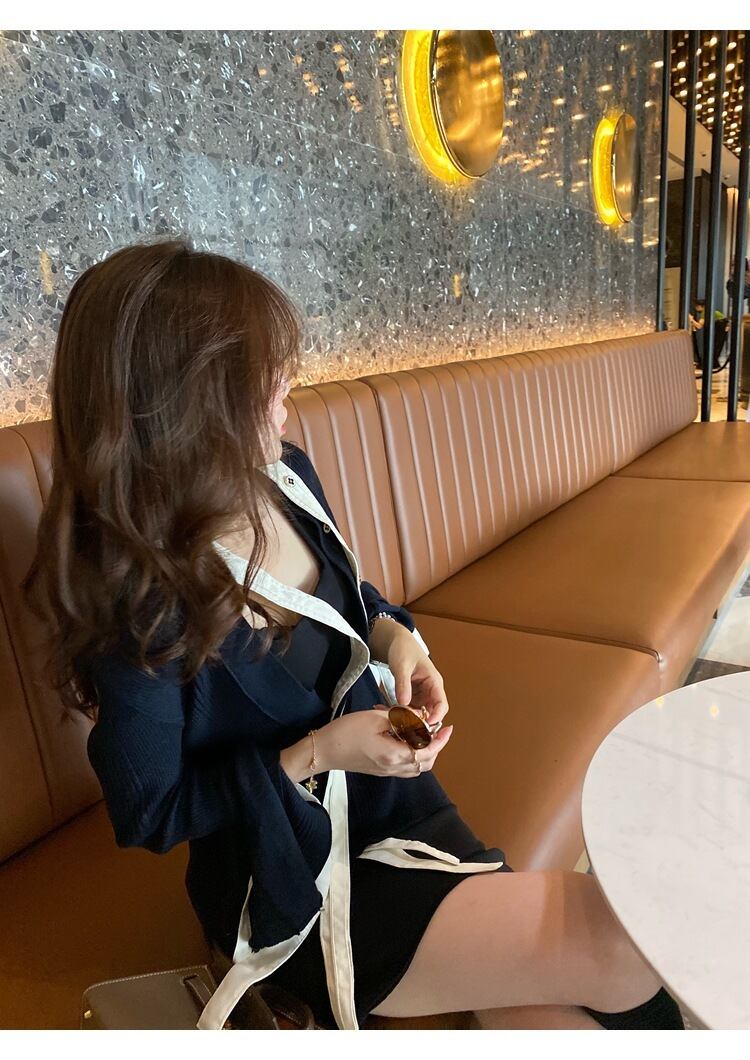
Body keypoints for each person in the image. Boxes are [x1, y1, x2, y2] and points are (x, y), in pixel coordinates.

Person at [21, 239, 684, 1031]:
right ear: (188, 403)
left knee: (565, 1017)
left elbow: (350, 597)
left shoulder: (286, 476)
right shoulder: (138, 603)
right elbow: (150, 813)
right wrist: (319, 753)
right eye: (264, 378)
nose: (286, 392)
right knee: (621, 945)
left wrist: (399, 639)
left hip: (394, 805)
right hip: (289, 874)